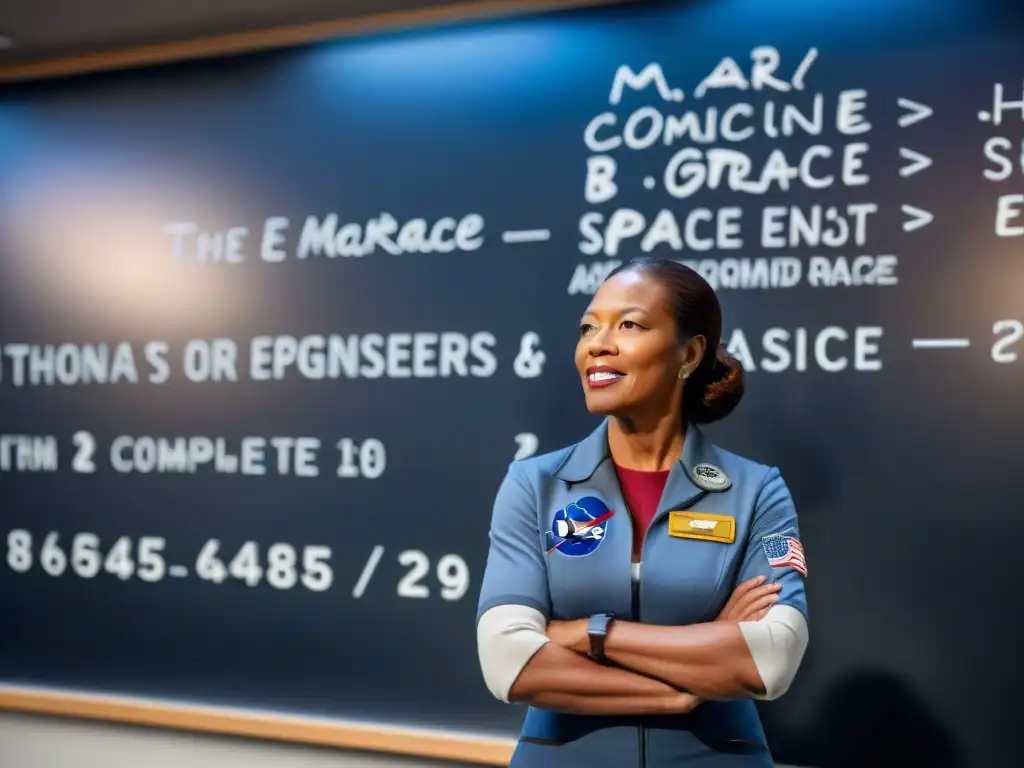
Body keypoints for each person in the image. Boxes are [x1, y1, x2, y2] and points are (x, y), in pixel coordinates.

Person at [475, 258, 809, 767]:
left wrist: (590, 632)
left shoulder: (757, 489)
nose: (597, 343)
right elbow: (509, 661)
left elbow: (771, 658)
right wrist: (684, 688)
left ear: (690, 353)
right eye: (588, 327)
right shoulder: (533, 484)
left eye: (628, 324)